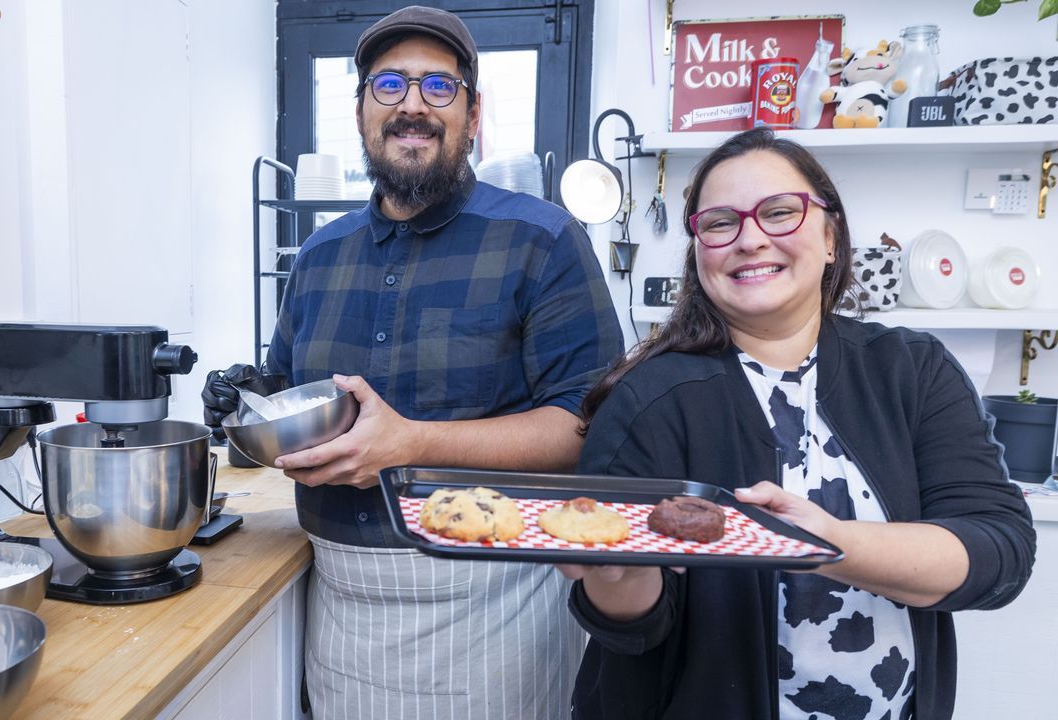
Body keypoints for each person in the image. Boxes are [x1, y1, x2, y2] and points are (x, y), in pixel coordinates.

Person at [201, 6, 623, 718]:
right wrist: (245, 399)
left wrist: (414, 445)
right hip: (341, 609)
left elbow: (587, 428)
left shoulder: (542, 241)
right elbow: (288, 394)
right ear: (362, 107)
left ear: (473, 110)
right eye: (390, 85)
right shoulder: (318, 255)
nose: (413, 108)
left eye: (439, 87)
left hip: (495, 607)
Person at [562, 128, 1036, 720]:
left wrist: (822, 543)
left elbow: (1000, 554)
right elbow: (632, 629)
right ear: (699, 252)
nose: (750, 239)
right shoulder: (648, 398)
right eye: (719, 223)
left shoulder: (911, 371)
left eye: (780, 212)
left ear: (831, 236)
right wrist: (615, 576)